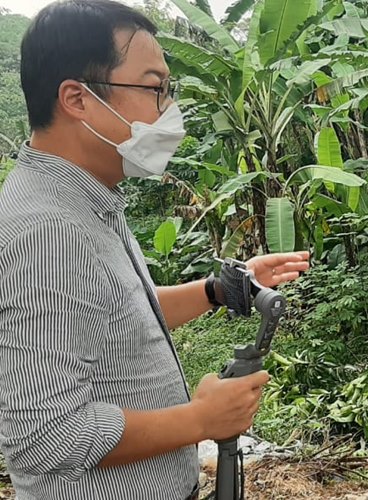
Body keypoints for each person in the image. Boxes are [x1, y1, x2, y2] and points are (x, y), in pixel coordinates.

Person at [0, 1, 309, 499]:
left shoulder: (84, 200)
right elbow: (45, 437)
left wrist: (215, 290)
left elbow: (110, 317)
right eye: (153, 88)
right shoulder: (48, 231)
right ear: (77, 99)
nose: (169, 109)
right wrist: (200, 419)